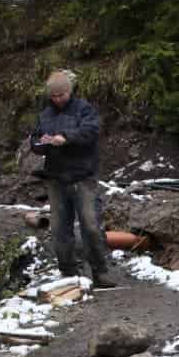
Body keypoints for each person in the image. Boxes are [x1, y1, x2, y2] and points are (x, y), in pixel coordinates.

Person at [28, 70, 116, 288]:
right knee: (59, 229)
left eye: (61, 95)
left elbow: (91, 132)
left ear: (69, 91)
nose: (57, 99)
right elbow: (35, 138)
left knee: (90, 225)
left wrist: (66, 138)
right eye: (53, 96)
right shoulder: (45, 114)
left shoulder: (84, 109)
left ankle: (100, 271)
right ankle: (68, 272)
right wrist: (40, 143)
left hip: (83, 176)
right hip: (56, 177)